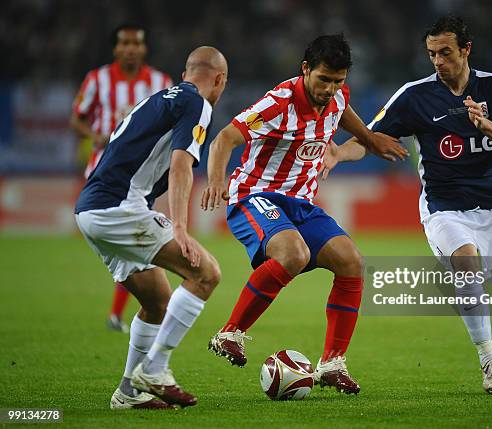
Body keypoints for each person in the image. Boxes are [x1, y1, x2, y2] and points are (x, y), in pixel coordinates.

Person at [324, 16, 492, 395]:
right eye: (431, 54)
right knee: (466, 259)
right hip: (445, 207)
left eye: (445, 53)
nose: (438, 61)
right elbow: (373, 137)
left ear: (466, 50)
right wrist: (339, 155)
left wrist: (485, 125)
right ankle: (488, 359)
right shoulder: (415, 95)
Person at [201, 34, 407, 395]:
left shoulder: (337, 97)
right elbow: (224, 139)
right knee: (293, 253)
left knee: (351, 261)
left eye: (338, 81)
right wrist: (216, 179)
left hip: (301, 204)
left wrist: (371, 140)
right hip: (256, 196)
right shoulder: (279, 102)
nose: (330, 89)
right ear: (305, 69)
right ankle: (230, 333)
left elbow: (343, 112)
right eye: (323, 80)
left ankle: (331, 364)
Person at [75, 46, 228, 409]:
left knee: (157, 301)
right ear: (219, 80)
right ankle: (155, 370)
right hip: (118, 208)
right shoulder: (197, 104)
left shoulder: (157, 99)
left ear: (185, 72)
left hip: (90, 210)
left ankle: (129, 392)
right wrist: (179, 226)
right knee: (205, 273)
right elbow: (180, 166)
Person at [70, 23, 173, 333]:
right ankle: (131, 313)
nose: (130, 49)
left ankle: (122, 314)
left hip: (141, 175)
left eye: (136, 43)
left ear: (143, 48)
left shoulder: (160, 82)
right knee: (130, 245)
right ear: (116, 48)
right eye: (125, 43)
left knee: (131, 245)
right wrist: (94, 136)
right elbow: (77, 117)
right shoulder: (97, 80)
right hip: (104, 174)